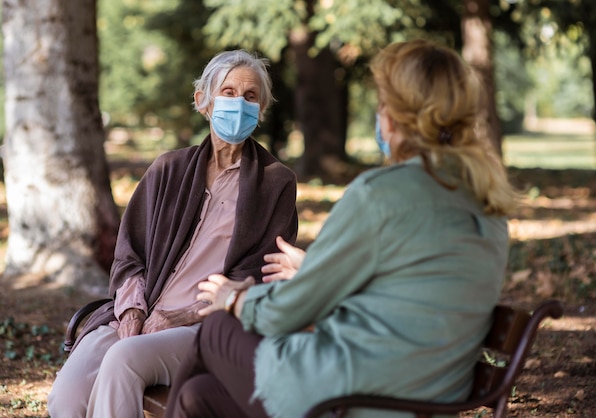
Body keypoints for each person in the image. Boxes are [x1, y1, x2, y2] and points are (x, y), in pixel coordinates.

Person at [164, 39, 519, 418]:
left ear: (395, 116)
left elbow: (286, 313)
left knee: (217, 329)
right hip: (427, 394)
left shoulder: (381, 194)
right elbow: (412, 294)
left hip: (352, 396)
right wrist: (316, 271)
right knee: (198, 396)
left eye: (382, 103)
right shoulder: (488, 202)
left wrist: (235, 299)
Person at [47, 49, 298, 418]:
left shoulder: (275, 183)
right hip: (138, 316)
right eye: (227, 92)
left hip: (204, 327)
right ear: (203, 101)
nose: (238, 104)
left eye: (250, 96)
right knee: (65, 399)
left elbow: (258, 275)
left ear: (261, 110)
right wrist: (133, 312)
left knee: (124, 360)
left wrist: (179, 317)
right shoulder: (168, 169)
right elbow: (129, 253)